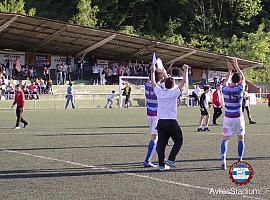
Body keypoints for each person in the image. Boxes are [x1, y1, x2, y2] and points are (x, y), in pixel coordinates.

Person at [151, 64, 189, 171]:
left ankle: (161, 166)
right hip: (171, 122)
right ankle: (171, 159)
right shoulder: (174, 92)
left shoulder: (159, 92)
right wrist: (185, 70)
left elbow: (153, 83)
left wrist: (153, 71)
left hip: (161, 122)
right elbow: (184, 83)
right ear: (173, 85)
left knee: (161, 144)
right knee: (179, 140)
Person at [220, 58, 246, 170]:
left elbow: (225, 82)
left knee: (225, 139)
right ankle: (239, 159)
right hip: (238, 118)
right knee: (240, 139)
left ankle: (223, 160)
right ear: (239, 81)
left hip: (227, 118)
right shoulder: (240, 89)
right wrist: (236, 66)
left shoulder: (225, 89)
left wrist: (229, 70)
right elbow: (243, 77)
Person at [143, 71, 165, 168]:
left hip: (149, 113)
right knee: (154, 138)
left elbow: (152, 81)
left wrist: (153, 71)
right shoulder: (159, 88)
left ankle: (158, 158)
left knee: (156, 136)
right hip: (156, 114)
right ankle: (148, 160)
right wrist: (163, 73)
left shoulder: (147, 84)